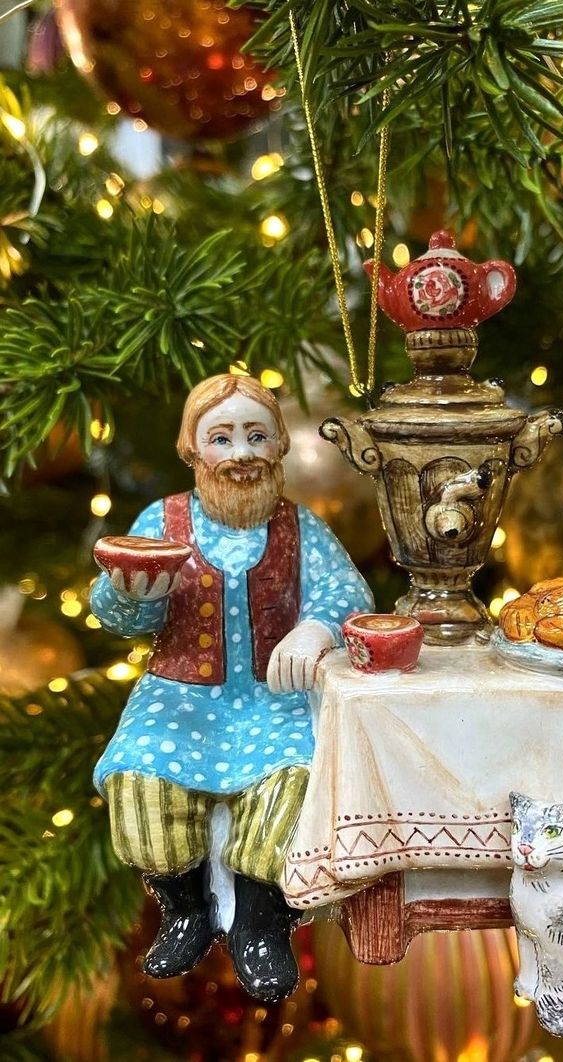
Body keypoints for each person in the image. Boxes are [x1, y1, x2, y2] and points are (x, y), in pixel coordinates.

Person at [91, 373, 373, 1001]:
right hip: (179, 697)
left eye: (256, 436)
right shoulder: (163, 520)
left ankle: (261, 921)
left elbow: (346, 591)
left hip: (275, 700)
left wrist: (316, 628)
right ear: (192, 449)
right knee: (141, 777)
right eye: (222, 438)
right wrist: (129, 597)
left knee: (296, 780)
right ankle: (183, 908)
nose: (241, 452)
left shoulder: (301, 528)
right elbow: (120, 611)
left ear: (280, 446)